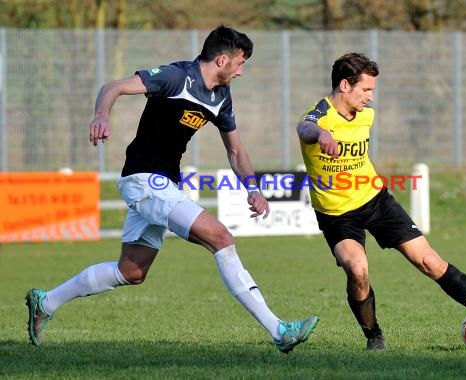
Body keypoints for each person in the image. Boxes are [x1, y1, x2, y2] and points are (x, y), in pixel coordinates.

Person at [25, 25, 318, 353]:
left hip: (164, 183)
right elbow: (114, 87)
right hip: (143, 180)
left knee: (131, 271)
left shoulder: (221, 97)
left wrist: (253, 188)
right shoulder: (176, 77)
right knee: (221, 237)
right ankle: (279, 330)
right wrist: (101, 116)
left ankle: (45, 303)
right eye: (240, 63)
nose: (242, 71)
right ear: (222, 60)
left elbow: (235, 150)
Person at [296, 52, 466, 350]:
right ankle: (374, 336)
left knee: (430, 261)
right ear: (344, 85)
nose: (370, 97)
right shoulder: (319, 114)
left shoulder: (366, 115)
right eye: (366, 90)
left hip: (375, 200)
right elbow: (305, 127)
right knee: (357, 269)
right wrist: (322, 135)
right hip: (336, 214)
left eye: (372, 90)